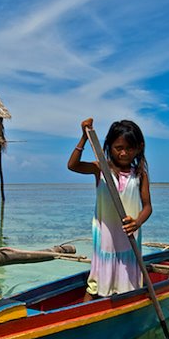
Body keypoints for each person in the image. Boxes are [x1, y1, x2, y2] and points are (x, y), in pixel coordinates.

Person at [68, 117, 152, 300]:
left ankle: (127, 305)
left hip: (129, 235)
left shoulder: (140, 174)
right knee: (96, 282)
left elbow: (147, 207)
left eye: (129, 148)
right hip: (105, 234)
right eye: (119, 148)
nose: (124, 153)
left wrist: (137, 222)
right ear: (109, 147)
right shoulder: (101, 169)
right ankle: (85, 313)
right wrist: (84, 137)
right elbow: (72, 165)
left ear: (139, 148)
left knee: (128, 282)